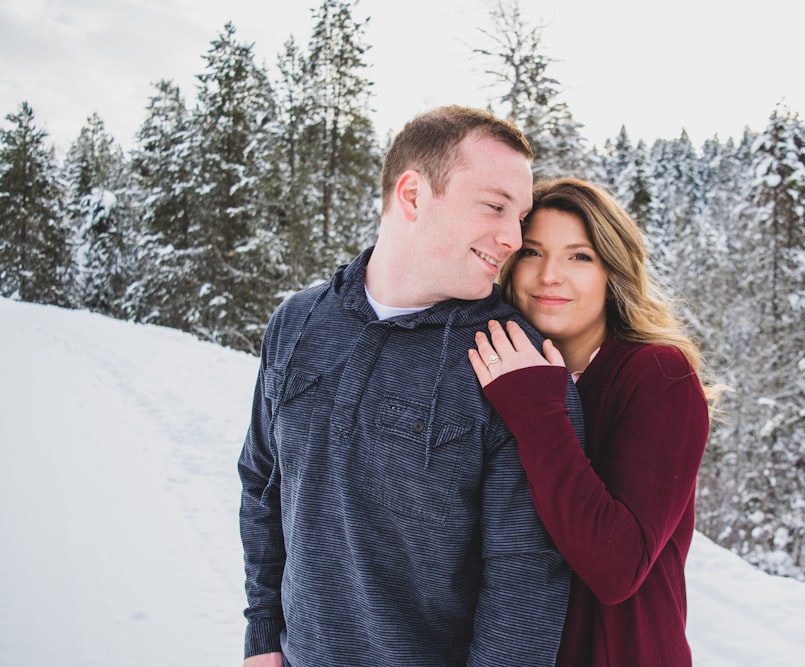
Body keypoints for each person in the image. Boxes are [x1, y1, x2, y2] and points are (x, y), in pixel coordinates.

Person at [238, 106, 584, 666]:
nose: (513, 238)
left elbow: (525, 577)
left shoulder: (516, 363)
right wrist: (262, 636)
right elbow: (262, 484)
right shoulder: (299, 322)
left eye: (519, 216)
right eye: (496, 207)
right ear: (413, 196)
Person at [469, 177, 720, 666]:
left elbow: (617, 567)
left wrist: (536, 410)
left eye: (579, 257)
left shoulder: (658, 375)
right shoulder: (486, 363)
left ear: (613, 270)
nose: (549, 277)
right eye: (533, 253)